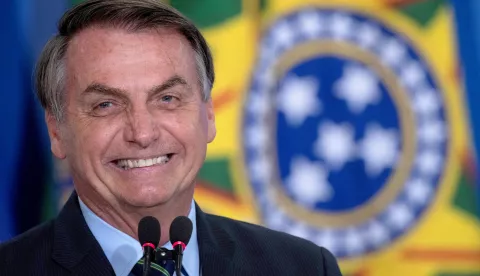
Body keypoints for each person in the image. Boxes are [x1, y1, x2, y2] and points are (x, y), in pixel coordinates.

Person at [0, 1, 343, 275]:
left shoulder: (304, 267)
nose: (143, 133)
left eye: (167, 99)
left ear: (208, 115)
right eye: (106, 105)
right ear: (57, 131)